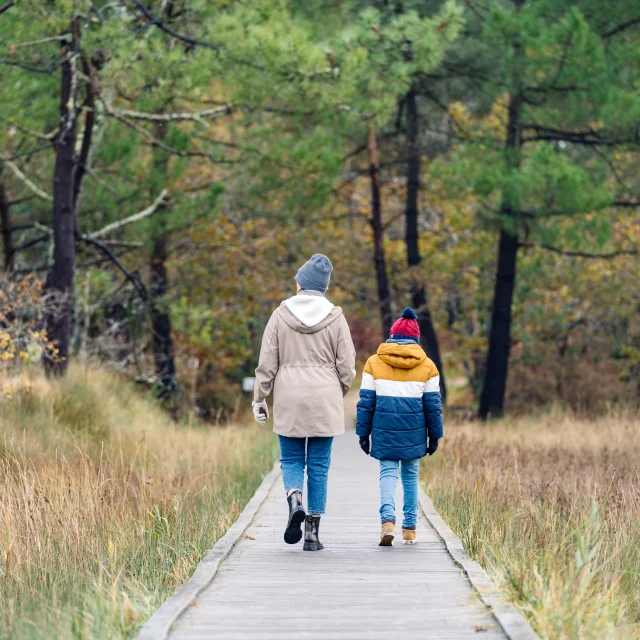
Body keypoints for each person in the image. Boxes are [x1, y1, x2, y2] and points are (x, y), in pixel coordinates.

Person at [252, 254, 356, 551]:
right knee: (319, 466)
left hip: (289, 397)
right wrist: (338, 390)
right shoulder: (336, 317)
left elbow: (267, 362)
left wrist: (260, 397)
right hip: (325, 396)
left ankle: (294, 498)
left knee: (292, 459)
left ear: (303, 283)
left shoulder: (280, 315)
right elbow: (347, 364)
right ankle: (311, 532)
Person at [355, 307, 443, 546]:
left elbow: (366, 402)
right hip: (414, 431)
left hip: (384, 429)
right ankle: (410, 529)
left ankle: (387, 522)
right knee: (411, 476)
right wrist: (434, 436)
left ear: (392, 336)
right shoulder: (429, 366)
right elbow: (433, 407)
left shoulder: (374, 363)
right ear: (416, 338)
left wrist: (363, 433)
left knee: (387, 473)